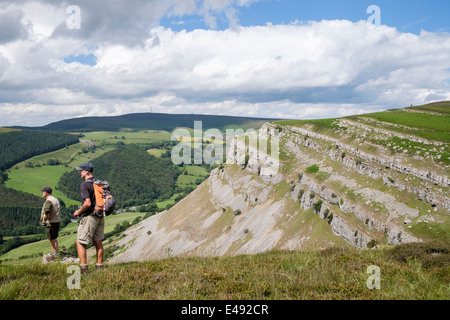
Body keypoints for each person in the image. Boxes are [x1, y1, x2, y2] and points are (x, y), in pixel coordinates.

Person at [73, 162, 105, 273]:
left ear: (86, 172)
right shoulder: (99, 183)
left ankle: (83, 269)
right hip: (100, 216)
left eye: (81, 170)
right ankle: (99, 267)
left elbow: (87, 203)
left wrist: (78, 211)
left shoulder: (85, 185)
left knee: (80, 242)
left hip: (90, 217)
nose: (79, 172)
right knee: (98, 242)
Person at [40, 187, 61, 259]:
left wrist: (48, 217)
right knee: (54, 238)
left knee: (51, 238)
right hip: (57, 221)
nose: (42, 193)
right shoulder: (55, 199)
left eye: (43, 192)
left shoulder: (48, 201)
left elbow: (47, 210)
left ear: (46, 193)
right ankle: (56, 252)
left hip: (51, 222)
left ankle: (55, 254)